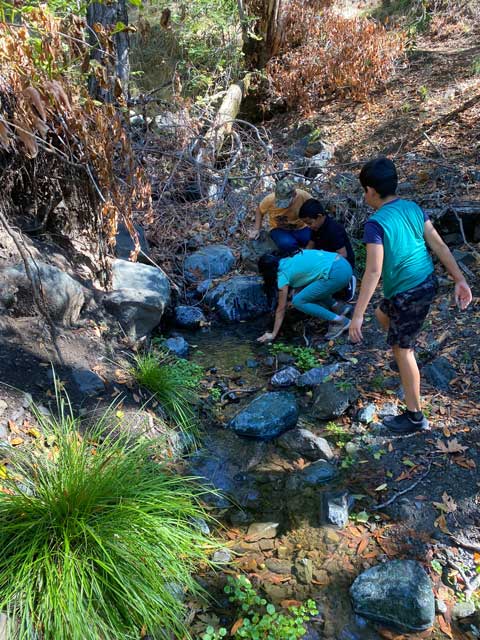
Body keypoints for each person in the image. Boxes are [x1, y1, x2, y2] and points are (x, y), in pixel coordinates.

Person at [349, 157, 472, 434]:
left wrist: (356, 317)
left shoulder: (376, 224)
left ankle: (415, 417)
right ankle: (405, 358)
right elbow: (438, 245)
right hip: (424, 283)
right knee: (382, 313)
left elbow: (373, 272)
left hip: (410, 292)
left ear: (370, 191)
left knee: (403, 350)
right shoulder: (413, 208)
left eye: (363, 190)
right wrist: (459, 279)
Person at [257, 249, 352, 343]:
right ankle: (339, 308)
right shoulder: (291, 256)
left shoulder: (282, 275)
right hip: (343, 264)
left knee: (298, 301)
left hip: (337, 275)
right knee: (309, 290)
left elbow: (281, 309)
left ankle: (340, 321)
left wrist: (273, 334)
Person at [299, 198, 357, 301]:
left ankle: (348, 280)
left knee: (341, 296)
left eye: (309, 223)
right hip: (324, 260)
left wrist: (322, 261)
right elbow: (310, 245)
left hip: (341, 263)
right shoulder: (315, 228)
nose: (309, 226)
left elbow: (343, 254)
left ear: (319, 217)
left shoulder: (333, 229)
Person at [249, 178, 312, 253]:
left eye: (286, 201)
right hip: (278, 229)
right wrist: (256, 229)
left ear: (294, 194)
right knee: (287, 244)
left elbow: (314, 208)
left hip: (301, 227)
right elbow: (259, 210)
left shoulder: (303, 196)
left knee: (312, 239)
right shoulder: (269, 200)